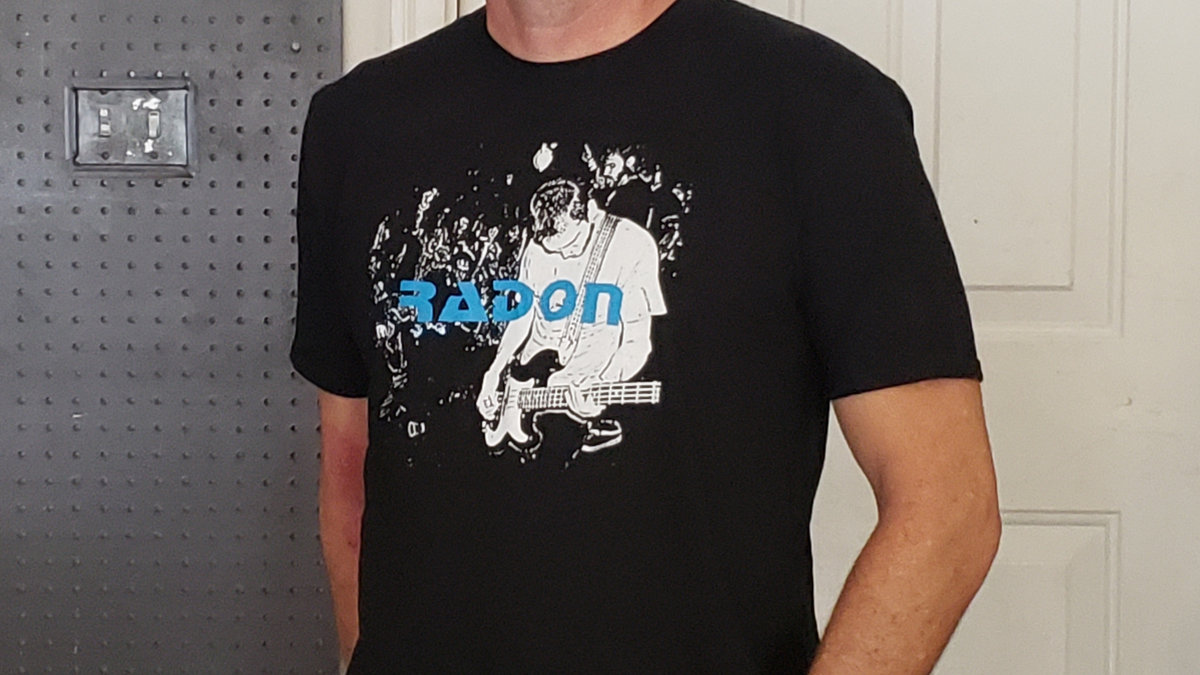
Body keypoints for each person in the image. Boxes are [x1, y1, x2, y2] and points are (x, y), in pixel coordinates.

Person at [289, 0, 1001, 672]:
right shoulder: (356, 123)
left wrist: (584, 381)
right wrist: (500, 377)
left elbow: (948, 508)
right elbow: (351, 476)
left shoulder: (823, 110)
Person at [476, 177, 666, 460]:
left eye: (572, 245)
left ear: (589, 211)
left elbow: (638, 340)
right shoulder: (536, 249)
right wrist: (494, 372)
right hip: (527, 381)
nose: (564, 255)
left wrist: (605, 382)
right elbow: (522, 316)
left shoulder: (632, 245)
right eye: (554, 250)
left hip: (580, 400)